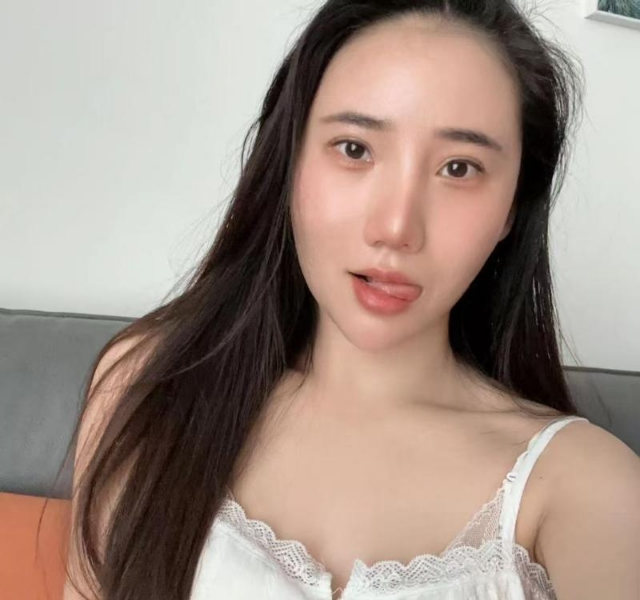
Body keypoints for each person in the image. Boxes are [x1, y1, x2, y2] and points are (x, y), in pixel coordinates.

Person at [58, 1, 640, 599]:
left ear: (512, 210)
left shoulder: (583, 487)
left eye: (459, 168)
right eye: (355, 149)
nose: (395, 227)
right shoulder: (146, 384)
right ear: (289, 161)